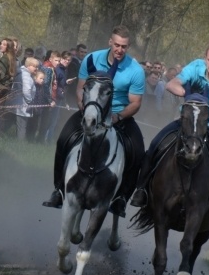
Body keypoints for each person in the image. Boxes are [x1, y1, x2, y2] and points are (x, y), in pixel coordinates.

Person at [130, 42, 209, 222]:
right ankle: (141, 189)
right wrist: (190, 95)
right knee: (155, 144)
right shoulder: (195, 67)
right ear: (205, 58)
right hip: (187, 123)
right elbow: (171, 84)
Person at [42, 25, 146, 218]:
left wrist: (118, 116)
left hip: (119, 116)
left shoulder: (135, 70)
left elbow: (135, 103)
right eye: (116, 45)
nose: (119, 50)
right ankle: (58, 190)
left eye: (124, 46)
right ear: (110, 42)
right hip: (90, 111)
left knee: (139, 151)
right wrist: (84, 106)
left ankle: (121, 198)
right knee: (63, 139)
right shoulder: (92, 59)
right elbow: (81, 88)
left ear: (128, 46)